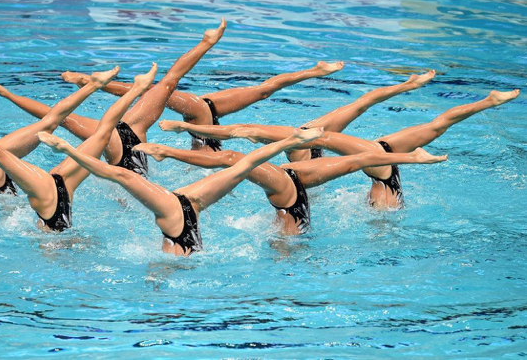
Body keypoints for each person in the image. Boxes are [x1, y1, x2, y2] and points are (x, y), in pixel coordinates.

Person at [161, 89, 521, 209]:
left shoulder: (308, 140)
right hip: (377, 157)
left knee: (240, 159)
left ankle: (487, 102)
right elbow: (364, 105)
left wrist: (184, 128)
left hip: (372, 161)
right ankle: (486, 102)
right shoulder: (309, 141)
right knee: (435, 127)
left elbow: (243, 134)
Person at [0, 64, 154, 231]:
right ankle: (129, 88)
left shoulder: (40, 196)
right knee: (101, 134)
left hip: (55, 199)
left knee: (98, 133)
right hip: (61, 185)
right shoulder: (50, 190)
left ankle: (129, 88)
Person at [0, 18, 228, 175]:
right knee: (168, 81)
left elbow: (51, 117)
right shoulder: (119, 136)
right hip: (133, 132)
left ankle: (6, 91)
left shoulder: (102, 135)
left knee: (57, 117)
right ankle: (206, 43)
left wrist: (5, 92)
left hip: (120, 136)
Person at [36, 127, 325, 256]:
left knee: (121, 177)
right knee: (240, 166)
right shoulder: (183, 226)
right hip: (189, 204)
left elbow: (118, 174)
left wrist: (67, 149)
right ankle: (292, 139)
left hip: (180, 211)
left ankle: (292, 139)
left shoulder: (171, 251)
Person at [133, 142, 447, 235]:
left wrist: (413, 158)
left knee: (236, 164)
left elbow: (357, 160)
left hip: (292, 221)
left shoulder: (289, 179)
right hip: (293, 211)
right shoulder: (301, 173)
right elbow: (357, 160)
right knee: (237, 165)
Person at [58, 61, 345, 152]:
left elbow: (144, 92)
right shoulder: (205, 160)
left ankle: (314, 71)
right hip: (202, 116)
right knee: (157, 90)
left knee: (262, 91)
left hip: (204, 114)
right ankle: (313, 71)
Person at [159, 70, 437, 161]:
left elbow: (363, 102)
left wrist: (406, 85)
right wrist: (183, 127)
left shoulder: (314, 133)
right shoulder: (297, 142)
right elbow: (237, 130)